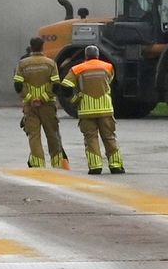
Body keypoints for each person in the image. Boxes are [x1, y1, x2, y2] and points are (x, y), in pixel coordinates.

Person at [60, 45, 124, 174]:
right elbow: (109, 81)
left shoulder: (77, 69)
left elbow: (65, 87)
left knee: (91, 138)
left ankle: (95, 167)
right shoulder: (108, 67)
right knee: (109, 137)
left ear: (85, 56)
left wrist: (74, 99)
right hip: (105, 108)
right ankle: (116, 165)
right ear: (98, 55)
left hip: (86, 110)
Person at [14, 36, 68, 168]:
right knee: (52, 135)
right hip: (47, 105)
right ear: (42, 47)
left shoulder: (22, 64)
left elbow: (18, 85)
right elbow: (56, 85)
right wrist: (43, 98)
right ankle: (57, 164)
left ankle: (38, 164)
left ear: (31, 47)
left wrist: (31, 99)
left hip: (30, 106)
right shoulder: (50, 63)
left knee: (34, 136)